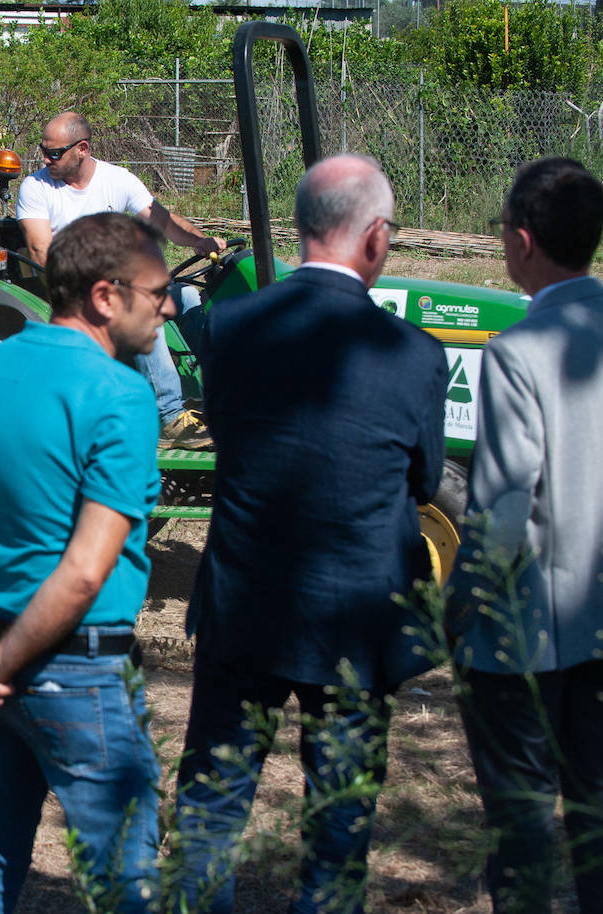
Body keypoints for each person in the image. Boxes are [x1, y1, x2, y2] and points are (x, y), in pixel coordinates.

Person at [170, 155, 448, 913]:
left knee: (211, 808)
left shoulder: (228, 327)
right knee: (338, 825)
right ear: (377, 238)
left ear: (302, 228)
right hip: (356, 621)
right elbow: (423, 485)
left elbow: (228, 438)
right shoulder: (415, 354)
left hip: (244, 605)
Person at [0, 211, 169, 912]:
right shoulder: (121, 395)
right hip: (72, 669)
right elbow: (85, 571)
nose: (168, 307)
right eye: (157, 293)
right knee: (126, 878)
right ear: (106, 296)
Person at [445, 157, 603, 914]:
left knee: (523, 825)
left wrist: (457, 606)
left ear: (525, 240)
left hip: (527, 635)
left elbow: (506, 508)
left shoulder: (516, 352)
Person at [17, 111, 225, 450]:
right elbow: (42, 251)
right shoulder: (36, 187)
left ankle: (227, 392)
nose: (45, 158)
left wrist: (200, 241)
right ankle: (169, 416)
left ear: (82, 148)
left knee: (187, 296)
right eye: (44, 150)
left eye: (54, 152)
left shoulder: (118, 180)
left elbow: (163, 221)